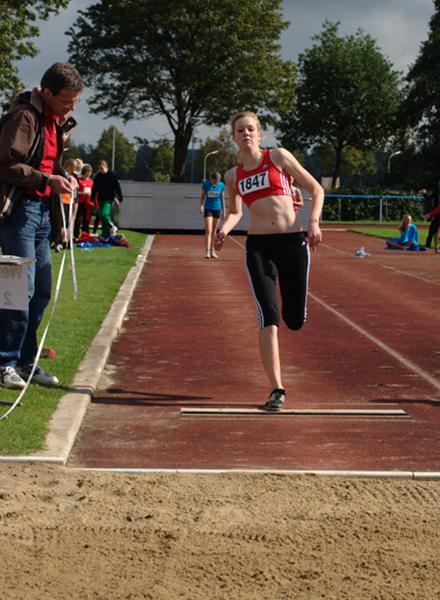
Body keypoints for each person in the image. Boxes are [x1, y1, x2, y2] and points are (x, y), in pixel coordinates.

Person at [214, 111, 324, 411]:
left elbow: (316, 188)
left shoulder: (277, 157)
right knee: (268, 317)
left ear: (259, 134)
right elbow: (235, 212)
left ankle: (293, 318)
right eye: (240, 130)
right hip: (259, 247)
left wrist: (313, 221)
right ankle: (277, 388)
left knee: (294, 320)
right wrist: (222, 230)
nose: (245, 134)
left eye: (251, 129)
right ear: (233, 137)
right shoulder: (232, 176)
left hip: (292, 242)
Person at [0, 62, 83, 389]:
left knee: (41, 290)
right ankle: (4, 361)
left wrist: (62, 176)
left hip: (41, 211)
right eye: (66, 100)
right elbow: (5, 163)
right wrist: (49, 179)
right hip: (18, 210)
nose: (71, 107)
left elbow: (43, 161)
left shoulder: (52, 120)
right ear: (45, 93)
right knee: (21, 288)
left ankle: (24, 360)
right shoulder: (24, 117)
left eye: (76, 101)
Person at [91, 160, 123, 239]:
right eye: (99, 169)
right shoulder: (98, 176)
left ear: (105, 166)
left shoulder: (111, 175)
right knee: (102, 217)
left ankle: (112, 226)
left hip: (109, 199)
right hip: (100, 198)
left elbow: (117, 186)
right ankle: (105, 234)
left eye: (102, 168)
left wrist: (120, 196)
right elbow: (95, 188)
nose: (100, 170)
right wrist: (92, 196)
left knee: (104, 214)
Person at [199, 170, 225, 258]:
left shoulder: (221, 185)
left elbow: (222, 198)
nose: (217, 182)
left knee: (214, 231)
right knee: (209, 230)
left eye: (218, 180)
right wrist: (201, 206)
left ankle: (212, 251)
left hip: (217, 209)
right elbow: (202, 196)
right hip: (208, 209)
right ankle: (207, 251)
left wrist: (224, 210)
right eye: (215, 181)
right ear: (211, 179)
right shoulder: (206, 185)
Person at [75, 163, 95, 235]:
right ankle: (76, 234)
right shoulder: (79, 180)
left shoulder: (91, 182)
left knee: (86, 220)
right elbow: (75, 193)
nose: (89, 174)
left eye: (90, 172)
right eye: (87, 172)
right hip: (80, 202)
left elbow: (94, 193)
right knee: (78, 219)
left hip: (88, 203)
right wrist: (83, 193)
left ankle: (85, 234)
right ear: (84, 172)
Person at [420, 188, 440, 253]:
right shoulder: (437, 192)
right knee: (434, 231)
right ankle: (435, 247)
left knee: (433, 230)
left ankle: (430, 246)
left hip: (437, 214)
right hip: (436, 215)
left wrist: (429, 214)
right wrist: (425, 194)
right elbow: (429, 199)